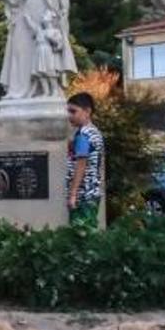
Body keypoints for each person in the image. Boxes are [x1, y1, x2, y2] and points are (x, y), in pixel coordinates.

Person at [65, 92, 105, 228]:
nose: (69, 115)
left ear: (87, 111)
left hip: (83, 196)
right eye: (68, 111)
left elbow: (81, 166)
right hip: (92, 193)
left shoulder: (83, 135)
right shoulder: (94, 132)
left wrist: (72, 194)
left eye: (73, 111)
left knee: (81, 236)